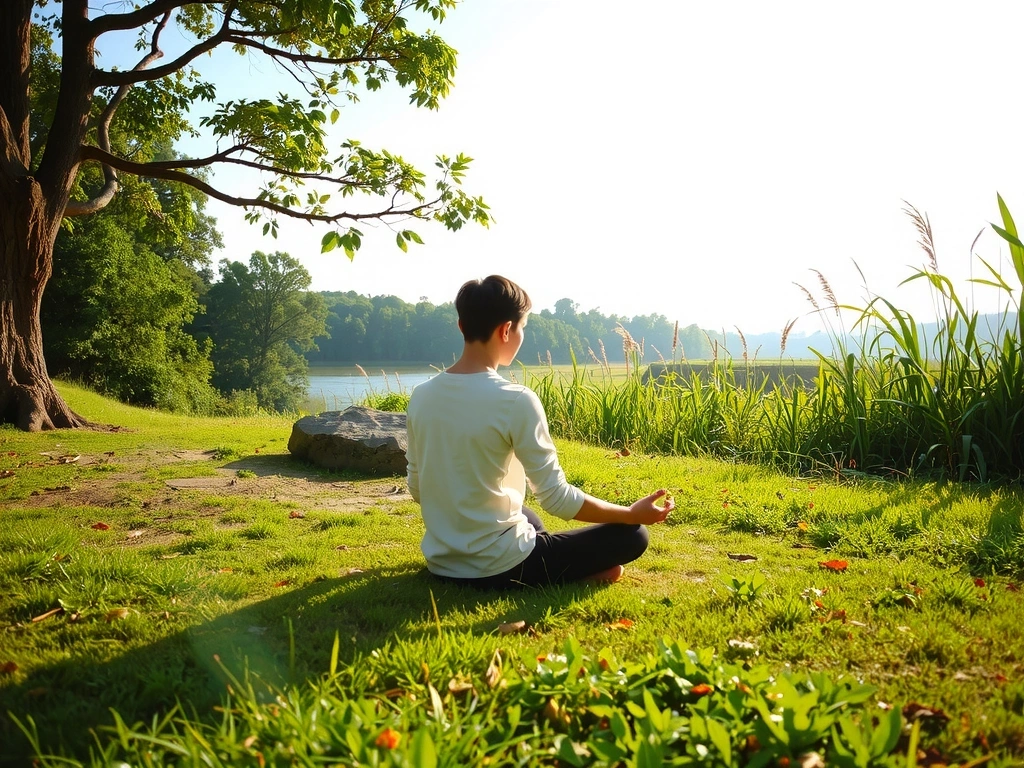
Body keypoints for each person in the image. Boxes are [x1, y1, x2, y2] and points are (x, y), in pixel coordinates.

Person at [405, 275, 673, 589]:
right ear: (506, 330)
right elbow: (558, 499)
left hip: (443, 563)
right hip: (498, 566)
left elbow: (418, 488)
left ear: (462, 327)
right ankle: (562, 573)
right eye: (523, 328)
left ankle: (557, 567)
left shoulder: (421, 396)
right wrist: (629, 514)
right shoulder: (515, 399)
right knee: (634, 535)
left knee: (525, 514)